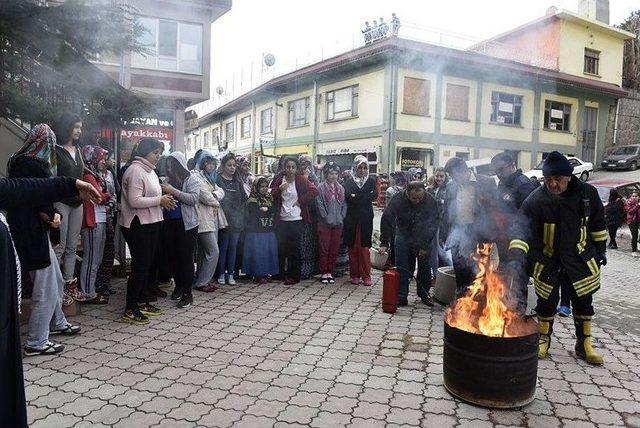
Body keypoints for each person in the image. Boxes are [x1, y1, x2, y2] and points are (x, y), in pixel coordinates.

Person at [0, 171, 100, 428]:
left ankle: (50, 329)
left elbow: (16, 187)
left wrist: (68, 184)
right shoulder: (25, 164)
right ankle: (37, 340)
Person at [508, 151, 607, 365]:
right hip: (548, 259)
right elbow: (521, 228)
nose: (552, 184)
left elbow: (598, 224)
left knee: (583, 301)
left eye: (557, 179)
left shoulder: (588, 194)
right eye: (548, 179)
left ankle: (584, 344)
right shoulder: (536, 199)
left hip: (580, 259)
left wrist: (600, 251)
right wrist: (518, 252)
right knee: (547, 302)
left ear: (569, 176)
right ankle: (543, 340)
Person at [7, 124, 88, 360]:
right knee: (46, 284)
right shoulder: (32, 164)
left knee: (54, 278)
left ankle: (57, 322)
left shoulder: (19, 160)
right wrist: (50, 214)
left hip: (30, 229)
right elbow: (37, 194)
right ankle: (37, 340)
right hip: (32, 230)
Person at [120, 138, 176, 325]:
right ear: (145, 152)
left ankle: (142, 302)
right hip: (138, 225)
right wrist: (159, 201)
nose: (158, 156)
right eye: (155, 152)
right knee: (140, 266)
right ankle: (130, 308)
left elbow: (153, 196)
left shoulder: (150, 171)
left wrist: (164, 200)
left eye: (160, 152)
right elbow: (134, 201)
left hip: (151, 222)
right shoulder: (135, 170)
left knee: (147, 265)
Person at [441, 157, 498, 294]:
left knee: (477, 270)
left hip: (478, 233)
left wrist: (492, 234)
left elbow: (495, 209)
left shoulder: (486, 183)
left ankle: (477, 302)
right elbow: (446, 210)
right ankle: (462, 301)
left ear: (464, 170)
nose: (453, 179)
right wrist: (444, 234)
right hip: (457, 232)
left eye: (454, 176)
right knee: (459, 268)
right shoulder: (451, 186)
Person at [380, 181, 440, 306]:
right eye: (414, 198)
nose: (417, 201)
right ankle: (401, 296)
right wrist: (384, 242)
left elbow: (433, 224)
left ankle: (424, 294)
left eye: (420, 198)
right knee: (401, 266)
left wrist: (424, 245)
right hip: (403, 234)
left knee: (424, 267)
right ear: (407, 193)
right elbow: (386, 218)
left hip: (423, 236)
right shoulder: (398, 198)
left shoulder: (430, 201)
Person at [161, 152, 201, 308]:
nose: (170, 167)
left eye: (173, 164)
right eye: (168, 164)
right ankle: (178, 285)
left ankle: (187, 293)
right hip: (169, 223)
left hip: (187, 224)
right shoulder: (167, 180)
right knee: (173, 257)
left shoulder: (192, 179)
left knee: (186, 258)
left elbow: (193, 199)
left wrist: (173, 191)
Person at [271, 156, 319, 285]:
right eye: (288, 167)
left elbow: (314, 190)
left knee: (294, 249)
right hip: (281, 218)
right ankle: (280, 273)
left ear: (296, 168)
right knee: (281, 248)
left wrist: (301, 201)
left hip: (296, 219)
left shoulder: (300, 179)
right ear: (284, 168)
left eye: (293, 167)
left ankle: (294, 276)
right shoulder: (279, 179)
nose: (290, 169)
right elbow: (271, 194)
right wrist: (279, 188)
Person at [53, 113, 85, 299]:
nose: (79, 131)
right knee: (60, 246)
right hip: (61, 202)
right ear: (66, 127)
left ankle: (69, 284)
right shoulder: (55, 151)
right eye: (75, 127)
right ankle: (56, 287)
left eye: (80, 127)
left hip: (77, 203)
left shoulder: (78, 150)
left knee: (72, 246)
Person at [79, 145, 111, 304]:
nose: (103, 161)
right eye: (101, 158)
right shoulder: (89, 177)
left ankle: (90, 290)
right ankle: (87, 292)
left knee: (95, 259)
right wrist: (108, 194)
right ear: (93, 159)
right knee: (91, 258)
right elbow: (99, 197)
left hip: (99, 219)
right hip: (93, 222)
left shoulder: (95, 176)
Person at [491, 152, 538, 259]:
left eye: (501, 170)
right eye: (496, 172)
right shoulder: (502, 183)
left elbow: (528, 219)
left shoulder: (524, 185)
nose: (498, 174)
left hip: (518, 241)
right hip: (503, 238)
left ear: (512, 165)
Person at [193, 151, 225, 292]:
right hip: (203, 219)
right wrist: (215, 199)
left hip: (210, 218)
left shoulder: (210, 178)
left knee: (203, 252)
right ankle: (203, 282)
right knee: (213, 251)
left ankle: (200, 278)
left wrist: (214, 196)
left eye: (213, 164)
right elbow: (204, 196)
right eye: (208, 163)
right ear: (202, 163)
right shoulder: (196, 176)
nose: (211, 166)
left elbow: (221, 191)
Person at [343, 155, 378, 286]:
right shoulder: (349, 181)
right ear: (355, 168)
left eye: (365, 168)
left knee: (364, 248)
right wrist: (364, 196)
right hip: (351, 219)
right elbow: (347, 196)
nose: (362, 170)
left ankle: (366, 276)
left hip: (365, 218)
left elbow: (374, 195)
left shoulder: (371, 181)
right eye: (360, 168)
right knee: (353, 247)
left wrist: (356, 196)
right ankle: (355, 275)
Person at [216, 153, 246, 284]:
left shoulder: (238, 181)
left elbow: (243, 199)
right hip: (223, 220)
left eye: (234, 165)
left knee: (233, 247)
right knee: (223, 247)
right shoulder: (218, 180)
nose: (232, 168)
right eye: (229, 165)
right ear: (223, 166)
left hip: (236, 220)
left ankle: (231, 274)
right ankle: (221, 273)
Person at [243, 177, 279, 283]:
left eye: (266, 186)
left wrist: (265, 209)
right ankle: (257, 274)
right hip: (256, 231)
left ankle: (266, 272)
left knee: (268, 252)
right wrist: (267, 210)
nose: (264, 189)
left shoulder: (269, 198)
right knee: (258, 253)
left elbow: (274, 209)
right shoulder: (252, 199)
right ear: (256, 187)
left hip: (268, 229)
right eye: (261, 186)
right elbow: (254, 212)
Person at [316, 162, 347, 284]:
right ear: (326, 174)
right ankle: (324, 271)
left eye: (335, 173)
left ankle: (330, 270)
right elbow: (319, 204)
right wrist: (325, 217)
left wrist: (342, 216)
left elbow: (344, 204)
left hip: (338, 223)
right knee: (324, 248)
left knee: (334, 248)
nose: (333, 176)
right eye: (331, 173)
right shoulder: (321, 187)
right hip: (325, 224)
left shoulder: (341, 188)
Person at [95, 150, 118, 296]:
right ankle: (97, 284)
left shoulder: (110, 175)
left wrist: (109, 205)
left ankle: (105, 282)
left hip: (109, 216)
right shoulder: (92, 175)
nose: (106, 161)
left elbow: (114, 193)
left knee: (109, 251)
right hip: (98, 217)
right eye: (104, 158)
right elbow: (97, 197)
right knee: (98, 252)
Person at [298, 154, 320, 279]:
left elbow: (317, 192)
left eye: (307, 162)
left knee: (311, 241)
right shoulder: (298, 176)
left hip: (312, 213)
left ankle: (311, 269)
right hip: (300, 212)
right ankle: (302, 270)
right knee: (302, 242)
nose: (305, 165)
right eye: (303, 163)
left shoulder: (314, 177)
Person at [625, 191, 640, 257]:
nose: (634, 197)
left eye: (636, 196)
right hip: (632, 221)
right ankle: (633, 250)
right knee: (634, 236)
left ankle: (638, 244)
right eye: (633, 196)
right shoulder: (629, 202)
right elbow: (630, 211)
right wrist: (637, 205)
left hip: (638, 220)